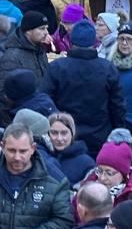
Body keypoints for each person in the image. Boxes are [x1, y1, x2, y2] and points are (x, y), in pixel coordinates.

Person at [43, 20, 125, 153]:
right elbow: (117, 106)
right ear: (93, 41)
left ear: (72, 39)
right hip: (99, 136)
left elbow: (46, 101)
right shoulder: (107, 68)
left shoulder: (57, 67)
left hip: (64, 136)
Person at [73, 141, 132, 222]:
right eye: (99, 171)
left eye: (109, 173)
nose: (102, 178)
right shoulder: (85, 192)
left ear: (124, 175)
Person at [0, 10, 49, 93]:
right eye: (42, 29)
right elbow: (5, 92)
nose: (46, 33)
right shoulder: (12, 56)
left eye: (47, 28)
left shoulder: (40, 51)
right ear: (28, 31)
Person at [44, 112, 95, 187]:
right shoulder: (41, 156)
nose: (59, 138)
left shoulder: (86, 163)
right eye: (54, 133)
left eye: (64, 133)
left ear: (72, 134)